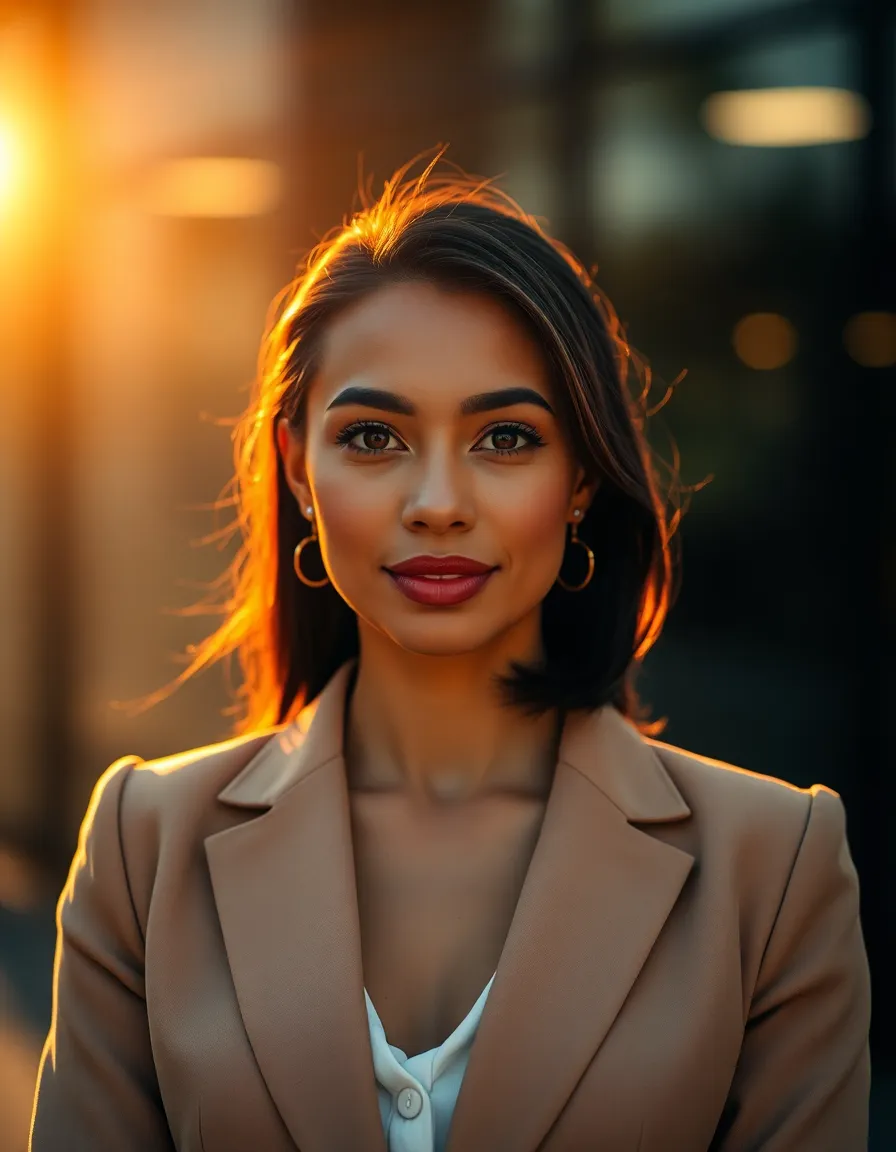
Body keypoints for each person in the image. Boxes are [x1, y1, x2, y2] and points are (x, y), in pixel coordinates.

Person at [29, 153, 871, 1152]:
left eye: (505, 438)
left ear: (580, 479)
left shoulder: (770, 869)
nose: (436, 503)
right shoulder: (144, 844)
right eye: (374, 438)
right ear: (297, 467)